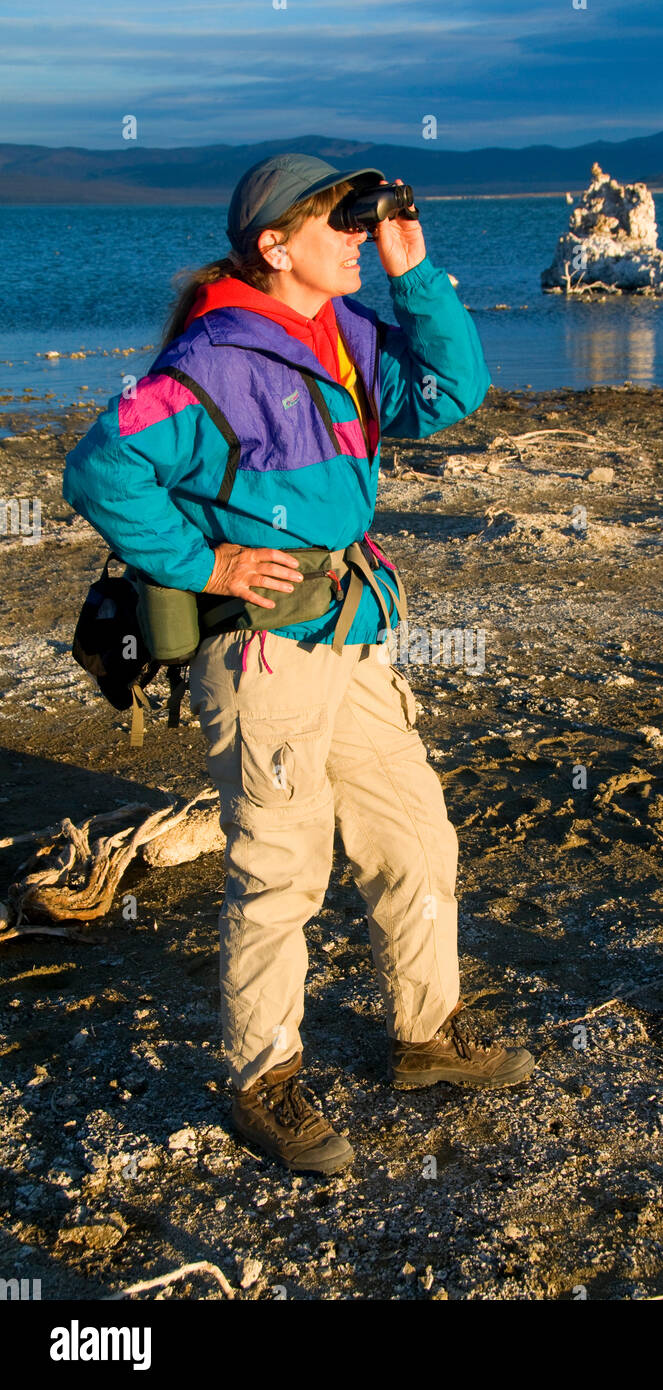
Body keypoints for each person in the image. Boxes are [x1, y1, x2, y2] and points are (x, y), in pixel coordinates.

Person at [63, 152, 535, 1176]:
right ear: (272, 246)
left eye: (365, 221)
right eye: (341, 222)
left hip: (350, 631)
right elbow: (100, 466)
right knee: (280, 872)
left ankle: (426, 1036)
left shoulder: (349, 332)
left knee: (413, 835)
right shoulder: (211, 358)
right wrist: (204, 560)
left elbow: (452, 391)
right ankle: (259, 1078)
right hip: (266, 651)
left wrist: (414, 272)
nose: (359, 235)